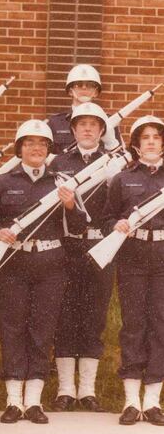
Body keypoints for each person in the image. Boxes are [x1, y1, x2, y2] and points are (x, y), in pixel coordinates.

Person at [0, 119, 86, 424]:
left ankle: (33, 401)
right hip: (13, 264)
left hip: (51, 265)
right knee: (12, 329)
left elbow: (79, 227)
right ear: (20, 148)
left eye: (42, 144)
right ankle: (13, 399)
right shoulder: (2, 182)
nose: (36, 149)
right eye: (30, 143)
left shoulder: (61, 182)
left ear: (49, 150)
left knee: (42, 330)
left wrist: (71, 205)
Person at [49, 103, 115, 413]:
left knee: (94, 316)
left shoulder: (116, 164)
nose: (87, 129)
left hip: (101, 247)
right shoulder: (58, 163)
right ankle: (65, 389)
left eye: (94, 124)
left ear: (102, 131)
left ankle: (87, 390)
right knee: (65, 315)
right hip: (68, 248)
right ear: (73, 130)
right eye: (81, 124)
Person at [101, 115, 164, 426]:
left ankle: (152, 402)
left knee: (160, 325)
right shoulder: (123, 179)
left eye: (156, 136)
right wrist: (117, 223)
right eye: (145, 137)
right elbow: (105, 218)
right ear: (136, 145)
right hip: (133, 257)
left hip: (163, 257)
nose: (151, 141)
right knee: (133, 325)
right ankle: (130, 401)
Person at [47, 64, 122, 155]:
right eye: (79, 85)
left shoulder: (108, 120)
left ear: (95, 92)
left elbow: (119, 155)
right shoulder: (55, 122)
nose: (84, 88)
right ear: (70, 91)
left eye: (89, 85)